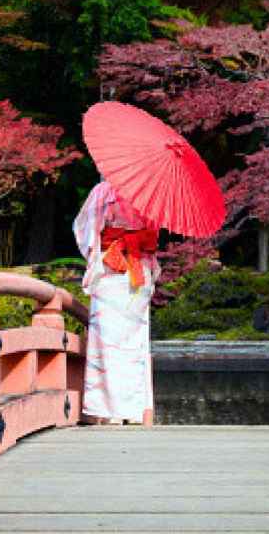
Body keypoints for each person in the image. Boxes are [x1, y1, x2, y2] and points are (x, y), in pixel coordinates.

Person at [73, 180, 160, 425]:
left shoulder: (105, 191)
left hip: (112, 269)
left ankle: (110, 412)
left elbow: (85, 232)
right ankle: (135, 411)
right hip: (139, 270)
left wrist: (94, 255)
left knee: (108, 345)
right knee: (134, 345)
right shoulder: (152, 194)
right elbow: (152, 238)